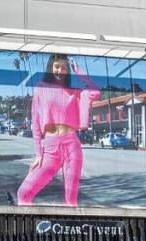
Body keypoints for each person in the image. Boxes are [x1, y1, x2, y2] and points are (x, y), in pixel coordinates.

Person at [15, 54, 100, 205]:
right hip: (50, 148)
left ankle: (69, 227)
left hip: (72, 146)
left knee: (70, 201)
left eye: (64, 68)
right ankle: (30, 226)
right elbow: (35, 120)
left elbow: (95, 92)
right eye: (57, 66)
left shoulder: (74, 92)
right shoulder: (41, 88)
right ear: (51, 67)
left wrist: (78, 70)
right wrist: (38, 154)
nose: (61, 70)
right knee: (23, 193)